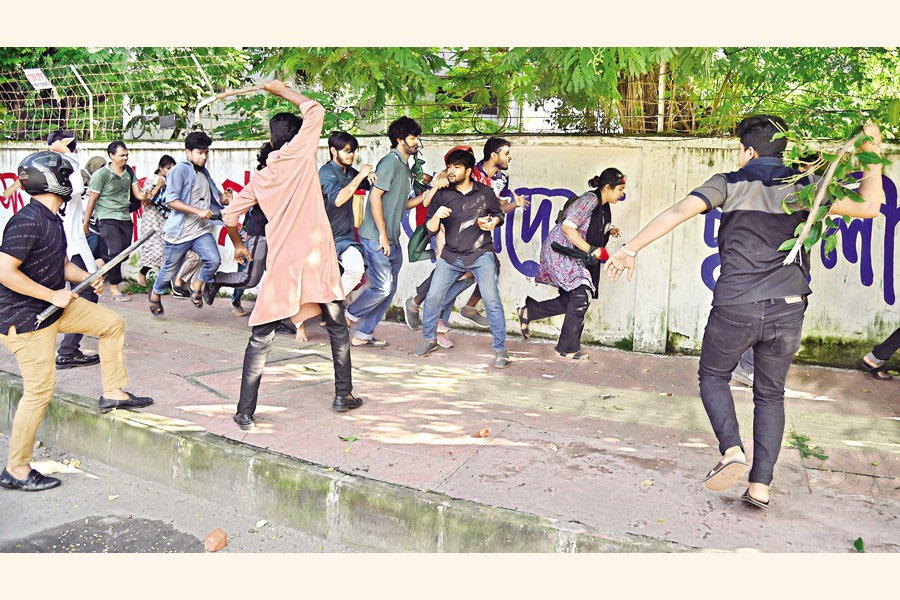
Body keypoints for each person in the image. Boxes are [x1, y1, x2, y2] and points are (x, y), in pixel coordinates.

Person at [605, 116, 885, 509]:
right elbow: (870, 206)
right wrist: (872, 150)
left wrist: (630, 248)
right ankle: (760, 487)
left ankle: (732, 450)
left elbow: (675, 212)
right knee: (770, 395)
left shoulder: (729, 183)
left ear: (749, 151)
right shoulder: (805, 187)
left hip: (736, 305)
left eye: (739, 149)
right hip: (789, 309)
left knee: (713, 375)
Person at [0, 151, 154, 492]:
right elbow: (4, 271)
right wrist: (52, 294)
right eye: (68, 176)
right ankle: (17, 468)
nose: (75, 182)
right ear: (53, 180)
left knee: (111, 323)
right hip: (26, 318)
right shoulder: (27, 221)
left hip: (52, 307)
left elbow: (60, 263)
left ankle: (113, 391)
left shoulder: (52, 217)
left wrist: (87, 275)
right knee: (39, 391)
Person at [222, 79, 365, 430]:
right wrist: (281, 90)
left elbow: (228, 216)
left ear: (271, 142)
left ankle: (245, 411)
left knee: (260, 338)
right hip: (319, 259)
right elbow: (314, 108)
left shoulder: (260, 179)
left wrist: (238, 244)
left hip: (285, 264)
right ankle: (342, 395)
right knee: (337, 328)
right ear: (299, 137)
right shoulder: (303, 153)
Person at [516, 169, 625, 360]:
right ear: (607, 187)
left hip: (571, 254)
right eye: (620, 189)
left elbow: (589, 227)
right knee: (581, 294)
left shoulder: (604, 205)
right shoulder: (589, 200)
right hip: (559, 251)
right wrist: (592, 250)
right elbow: (568, 227)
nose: (622, 194)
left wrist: (610, 231)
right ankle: (567, 348)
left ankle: (528, 312)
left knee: (571, 300)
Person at [413, 148, 509, 367]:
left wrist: (494, 222)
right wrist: (437, 216)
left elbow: (499, 215)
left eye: (456, 167)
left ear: (468, 170)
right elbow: (429, 227)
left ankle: (500, 350)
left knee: (492, 300)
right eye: (449, 167)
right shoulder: (442, 194)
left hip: (480, 253)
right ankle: (430, 340)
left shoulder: (485, 193)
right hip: (450, 256)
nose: (451, 171)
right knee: (434, 297)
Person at [345, 116, 433, 348]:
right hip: (376, 238)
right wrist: (383, 235)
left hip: (392, 239)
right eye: (412, 137)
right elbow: (375, 197)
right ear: (399, 139)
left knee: (389, 290)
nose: (416, 142)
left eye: (417, 137)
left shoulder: (405, 167)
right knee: (382, 287)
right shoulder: (391, 162)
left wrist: (426, 195)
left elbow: (399, 204)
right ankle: (350, 314)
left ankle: (363, 335)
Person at [147, 131, 225, 315]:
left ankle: (196, 285)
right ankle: (155, 294)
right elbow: (171, 200)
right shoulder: (179, 170)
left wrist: (225, 199)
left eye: (206, 152)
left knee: (213, 260)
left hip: (200, 231)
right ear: (188, 152)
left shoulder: (204, 172)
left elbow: (213, 197)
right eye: (199, 152)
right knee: (169, 271)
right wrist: (198, 211)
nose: (204, 156)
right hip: (179, 233)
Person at [83, 140, 149, 301]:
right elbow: (92, 200)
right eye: (121, 155)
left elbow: (139, 195)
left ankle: (100, 262)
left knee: (124, 254)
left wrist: (151, 191)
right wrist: (85, 223)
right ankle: (114, 289)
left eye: (127, 155)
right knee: (116, 253)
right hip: (106, 217)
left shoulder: (129, 173)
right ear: (111, 156)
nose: (125, 158)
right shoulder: (101, 175)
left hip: (124, 217)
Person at [137, 155, 176, 287]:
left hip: (166, 218)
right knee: (154, 248)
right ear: (160, 168)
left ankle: (164, 284)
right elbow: (146, 200)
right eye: (168, 168)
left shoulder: (173, 181)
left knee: (167, 251)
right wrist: (158, 186)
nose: (170, 171)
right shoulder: (151, 180)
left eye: (172, 168)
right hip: (152, 218)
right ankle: (143, 272)